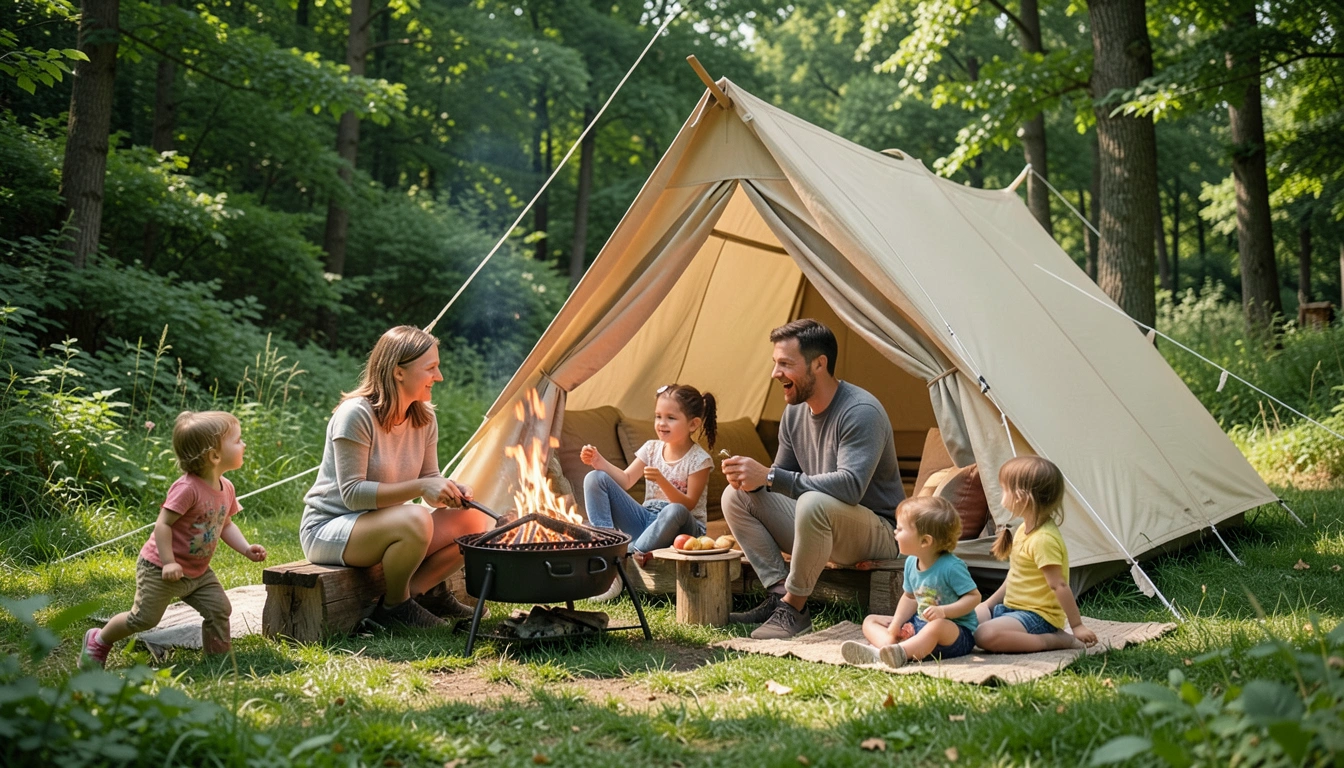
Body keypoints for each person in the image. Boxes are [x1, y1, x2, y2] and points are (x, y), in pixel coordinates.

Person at [721, 319, 905, 639]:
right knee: (735, 496)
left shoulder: (861, 411)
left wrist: (769, 475)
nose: (775, 373)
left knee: (812, 501)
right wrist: (754, 480)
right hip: (820, 524)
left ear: (819, 364)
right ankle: (780, 596)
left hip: (877, 533)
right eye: (775, 363)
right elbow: (780, 482)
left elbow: (850, 486)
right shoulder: (794, 413)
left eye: (785, 364)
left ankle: (795, 610)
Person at [300, 325, 488, 629]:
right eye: (431, 368)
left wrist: (448, 490)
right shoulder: (355, 415)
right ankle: (394, 608)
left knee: (474, 521)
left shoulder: (424, 417)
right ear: (399, 371)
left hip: (386, 523)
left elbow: (429, 478)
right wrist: (422, 487)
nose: (439, 376)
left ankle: (421, 594)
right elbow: (353, 494)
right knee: (415, 518)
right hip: (330, 527)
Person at [81, 411, 266, 667]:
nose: (243, 444)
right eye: (237, 440)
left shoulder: (227, 487)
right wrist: (169, 562)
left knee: (219, 609)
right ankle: (98, 640)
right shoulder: (187, 488)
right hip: (160, 569)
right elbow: (163, 525)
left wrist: (246, 549)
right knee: (143, 619)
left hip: (197, 572)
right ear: (214, 456)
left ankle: (217, 661)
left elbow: (226, 524)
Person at [581, 384, 717, 600]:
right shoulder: (651, 448)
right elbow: (626, 480)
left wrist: (662, 481)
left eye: (671, 418)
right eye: (658, 416)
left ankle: (623, 556)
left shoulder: (699, 460)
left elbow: (688, 505)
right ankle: (607, 553)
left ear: (693, 424)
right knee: (594, 478)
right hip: (646, 520)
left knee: (674, 510)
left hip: (682, 526)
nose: (662, 423)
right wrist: (599, 462)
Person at [973, 456, 1099, 652]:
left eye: (1004, 489)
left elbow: (1059, 585)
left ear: (1021, 497)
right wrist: (988, 605)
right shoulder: (1023, 530)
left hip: (1037, 617)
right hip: (1010, 609)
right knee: (967, 619)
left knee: (984, 635)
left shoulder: (1043, 540)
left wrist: (1077, 626)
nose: (1001, 494)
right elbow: (1015, 575)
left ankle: (1058, 640)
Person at [840, 496, 980, 668]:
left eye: (900, 529)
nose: (895, 532)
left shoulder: (952, 567)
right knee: (871, 620)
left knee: (937, 626)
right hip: (919, 625)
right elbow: (910, 597)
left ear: (925, 541)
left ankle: (895, 653)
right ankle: (888, 648)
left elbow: (974, 597)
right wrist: (896, 624)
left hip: (955, 635)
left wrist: (944, 611)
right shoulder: (911, 562)